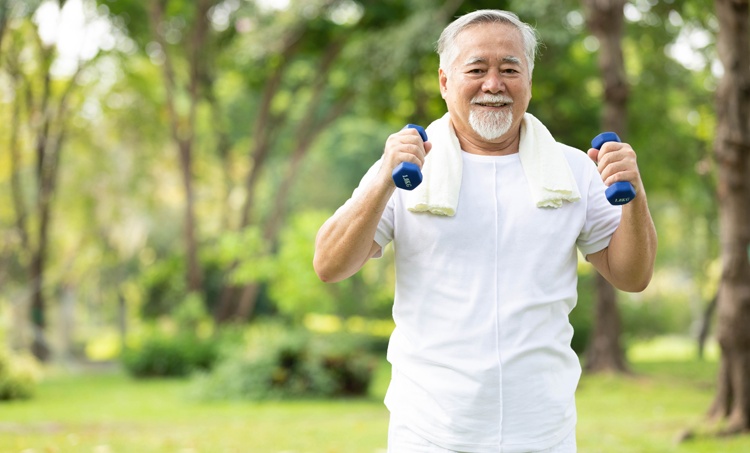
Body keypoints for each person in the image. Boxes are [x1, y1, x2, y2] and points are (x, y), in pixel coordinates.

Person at [313, 9, 657, 453]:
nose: (493, 84)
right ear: (444, 81)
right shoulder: (406, 168)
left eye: (509, 69)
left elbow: (633, 276)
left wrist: (635, 193)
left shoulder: (575, 168)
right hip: (430, 431)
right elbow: (329, 265)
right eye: (476, 69)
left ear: (528, 81)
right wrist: (383, 178)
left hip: (543, 431)